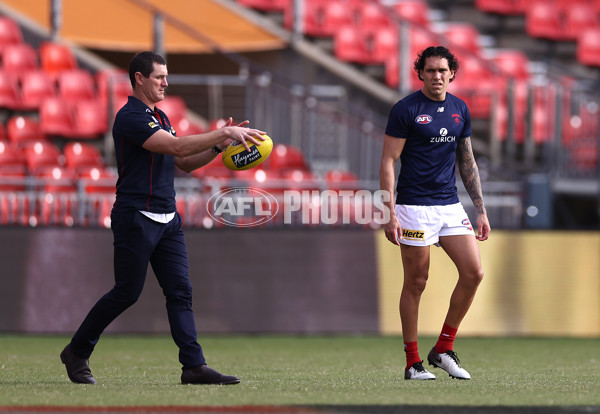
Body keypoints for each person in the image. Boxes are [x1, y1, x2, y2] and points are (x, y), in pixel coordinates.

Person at [60, 51, 266, 385]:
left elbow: (184, 163)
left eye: (166, 76)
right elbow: (177, 149)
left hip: (167, 217)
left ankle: (193, 366)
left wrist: (216, 148)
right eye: (159, 77)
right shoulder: (130, 116)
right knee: (126, 292)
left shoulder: (161, 117)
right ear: (139, 78)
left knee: (180, 291)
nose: (166, 83)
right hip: (136, 216)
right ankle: (77, 351)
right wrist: (222, 134)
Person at [379, 46, 490, 380]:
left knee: (474, 273)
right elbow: (388, 161)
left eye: (443, 70)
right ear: (421, 73)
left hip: (449, 205)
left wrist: (480, 210)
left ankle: (442, 349)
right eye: (430, 70)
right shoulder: (406, 109)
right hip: (413, 207)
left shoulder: (459, 109)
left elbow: (467, 161)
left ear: (452, 73)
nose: (437, 76)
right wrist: (389, 212)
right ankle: (412, 363)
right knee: (417, 282)